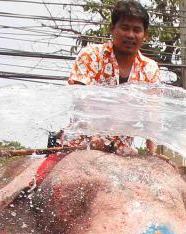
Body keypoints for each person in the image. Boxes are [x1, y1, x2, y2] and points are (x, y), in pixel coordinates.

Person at [63, 0, 160, 155]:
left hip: (122, 153)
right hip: (80, 147)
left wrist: (152, 154)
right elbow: (80, 99)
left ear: (145, 35)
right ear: (112, 28)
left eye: (136, 30)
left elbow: (152, 116)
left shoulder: (150, 69)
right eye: (125, 28)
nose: (130, 35)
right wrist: (94, 135)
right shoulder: (91, 55)